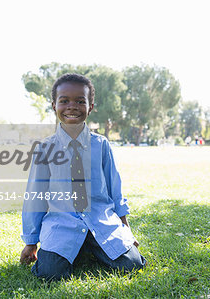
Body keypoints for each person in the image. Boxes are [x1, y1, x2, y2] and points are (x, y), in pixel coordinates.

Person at [20, 73, 146, 281]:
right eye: (64, 101)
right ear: (54, 106)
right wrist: (31, 242)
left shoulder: (101, 145)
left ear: (90, 107)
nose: (72, 106)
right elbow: (36, 195)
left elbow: (115, 188)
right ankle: (77, 249)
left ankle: (90, 247)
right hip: (62, 225)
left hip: (101, 221)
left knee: (132, 264)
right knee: (50, 274)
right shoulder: (45, 148)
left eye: (80, 101)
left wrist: (126, 231)